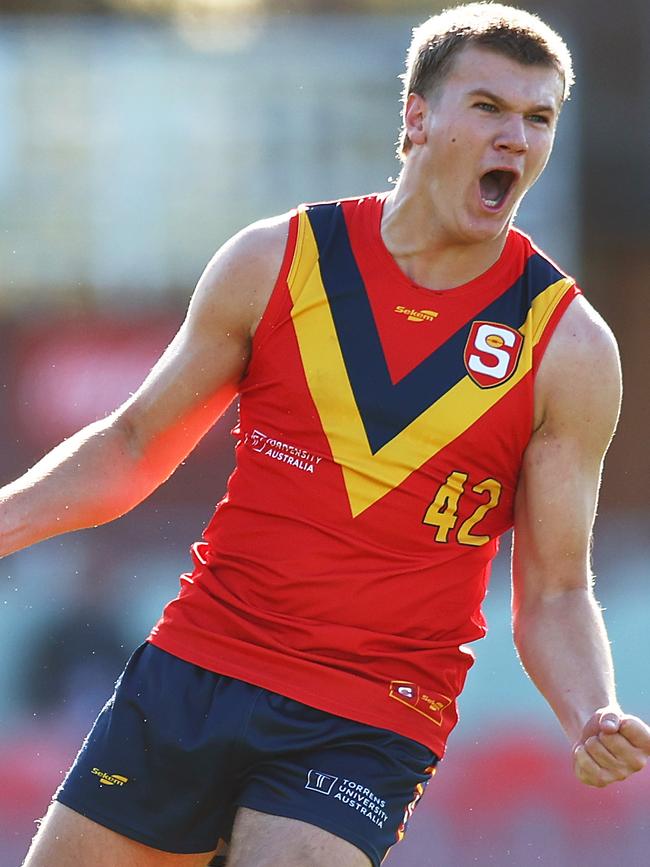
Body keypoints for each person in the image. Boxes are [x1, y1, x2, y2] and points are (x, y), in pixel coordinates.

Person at [4, 3, 649, 866]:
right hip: (197, 665)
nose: (516, 139)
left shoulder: (566, 345)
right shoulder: (277, 260)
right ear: (417, 117)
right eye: (489, 107)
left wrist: (591, 709)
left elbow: (558, 590)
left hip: (371, 712)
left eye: (539, 119)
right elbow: (130, 448)